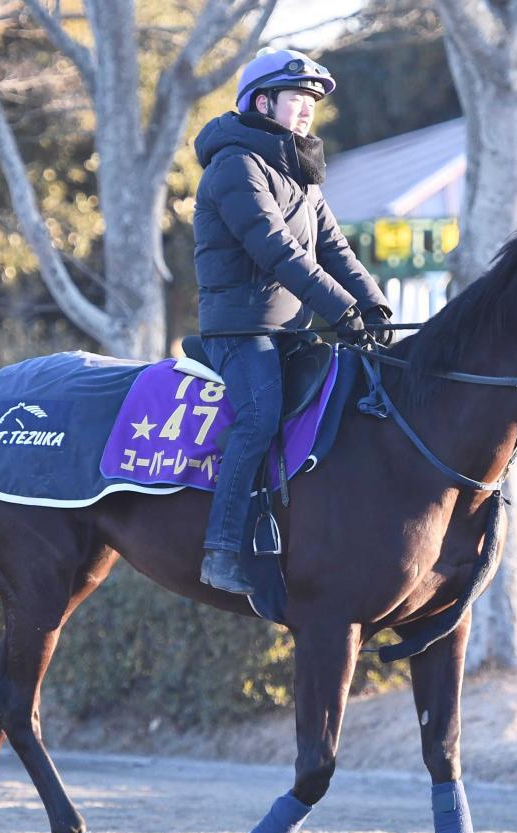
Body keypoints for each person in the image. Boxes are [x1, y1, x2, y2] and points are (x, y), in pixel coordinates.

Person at [192, 47, 393, 595]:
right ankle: (222, 548)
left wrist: (374, 307)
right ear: (262, 102)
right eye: (296, 99)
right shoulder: (235, 165)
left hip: (293, 329)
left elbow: (334, 248)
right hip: (240, 331)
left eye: (311, 101)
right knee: (260, 415)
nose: (307, 110)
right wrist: (342, 311)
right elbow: (278, 252)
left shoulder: (302, 174)